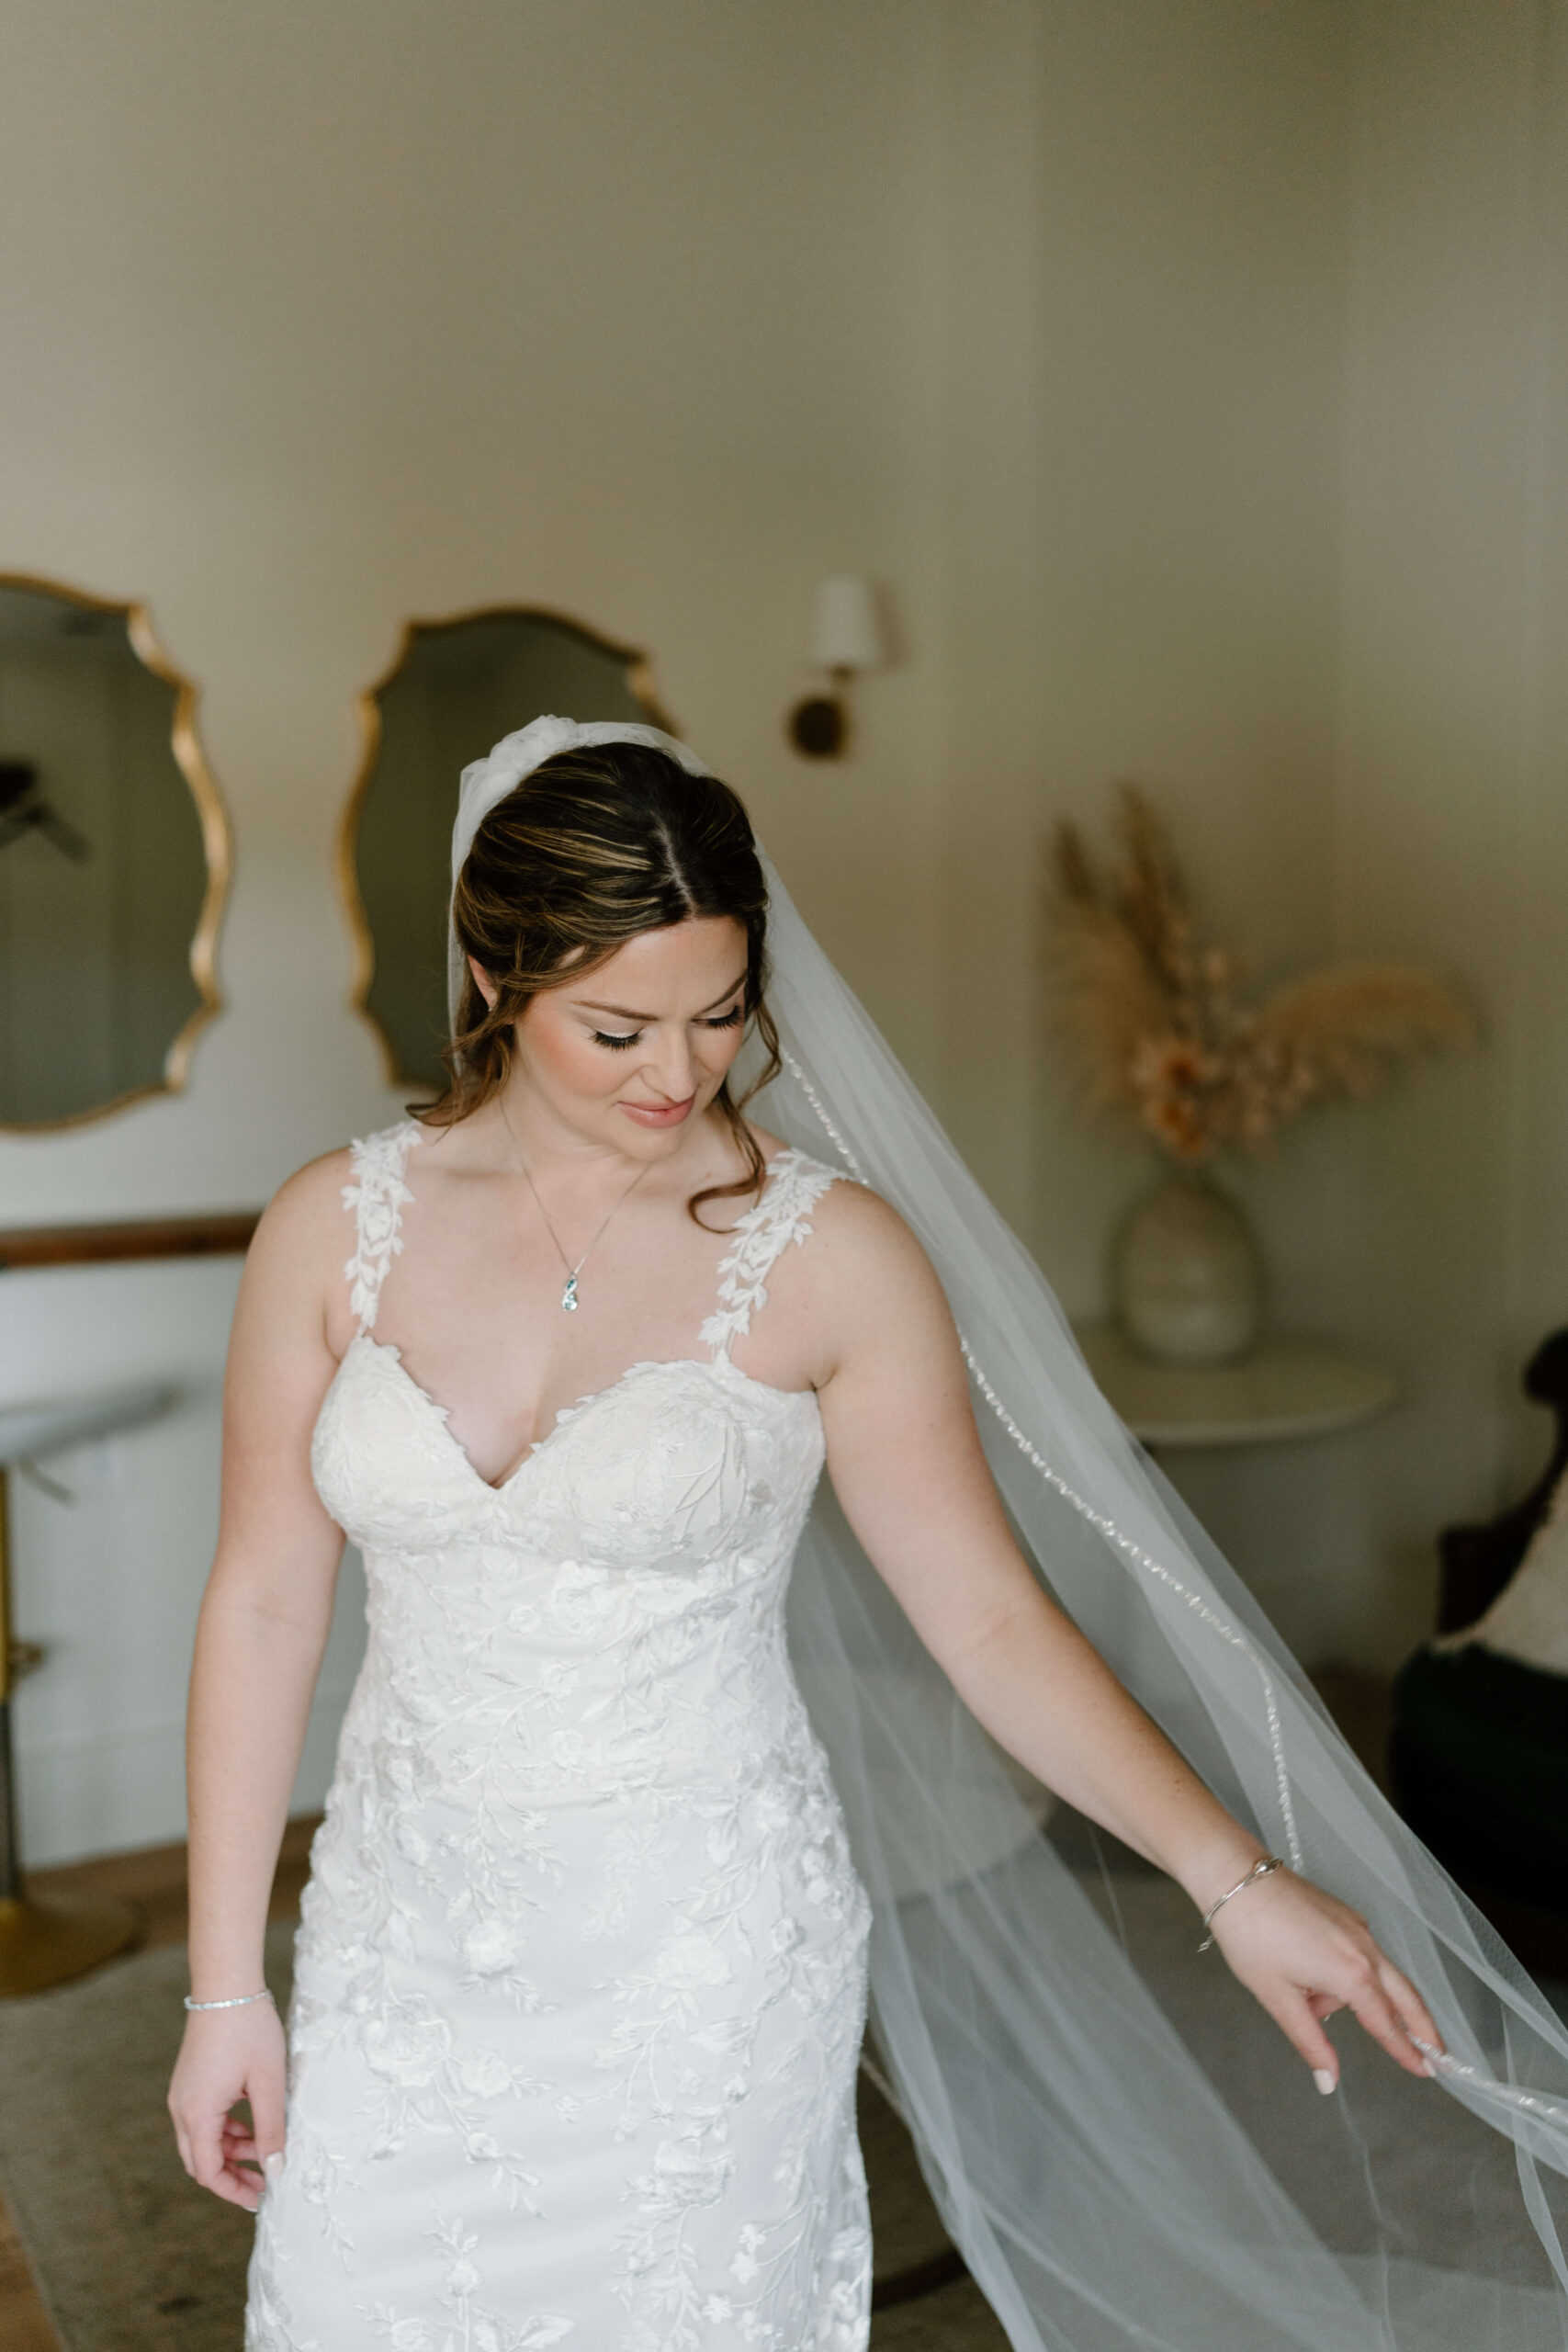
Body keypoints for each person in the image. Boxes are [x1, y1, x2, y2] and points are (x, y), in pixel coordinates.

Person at [169, 719, 1568, 2352]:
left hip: (703, 1960)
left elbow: (986, 1618)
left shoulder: (832, 1258)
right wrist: (221, 1990)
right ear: (492, 979)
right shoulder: (329, 1228)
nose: (678, 1076)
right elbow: (264, 1605)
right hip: (400, 1941)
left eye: (718, 1014)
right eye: (617, 1027)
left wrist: (1232, 1874)